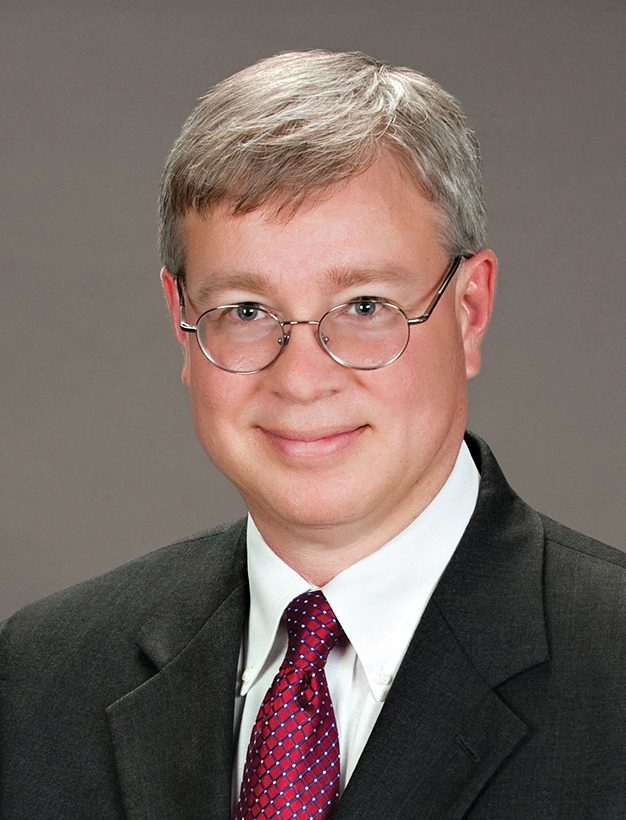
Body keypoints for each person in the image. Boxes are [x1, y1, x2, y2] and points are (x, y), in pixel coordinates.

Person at [1, 50, 624, 820]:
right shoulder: (44, 672)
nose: (300, 379)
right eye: (246, 311)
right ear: (180, 321)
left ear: (469, 309)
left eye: (365, 306)